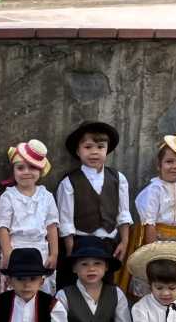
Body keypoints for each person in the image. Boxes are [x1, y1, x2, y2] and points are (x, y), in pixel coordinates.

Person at [55, 121, 132, 287]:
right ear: (78, 151)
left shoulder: (118, 179)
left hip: (108, 245)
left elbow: (123, 214)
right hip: (81, 244)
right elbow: (65, 221)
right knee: (78, 287)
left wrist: (124, 242)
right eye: (88, 147)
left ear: (107, 149)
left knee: (106, 286)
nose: (94, 152)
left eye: (100, 147)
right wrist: (71, 251)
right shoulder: (69, 182)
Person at [123, 133, 176, 295]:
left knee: (174, 276)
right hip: (155, 239)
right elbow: (149, 223)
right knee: (157, 275)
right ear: (159, 165)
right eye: (169, 161)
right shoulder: (154, 190)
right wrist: (154, 253)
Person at [0, 139, 58, 294]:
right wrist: (8, 254)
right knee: (15, 291)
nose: (26, 172)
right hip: (15, 250)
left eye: (32, 167)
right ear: (13, 171)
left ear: (40, 170)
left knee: (39, 292)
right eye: (20, 168)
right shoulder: (8, 196)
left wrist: (54, 253)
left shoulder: (46, 196)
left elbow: (51, 227)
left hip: (40, 252)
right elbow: (2, 228)